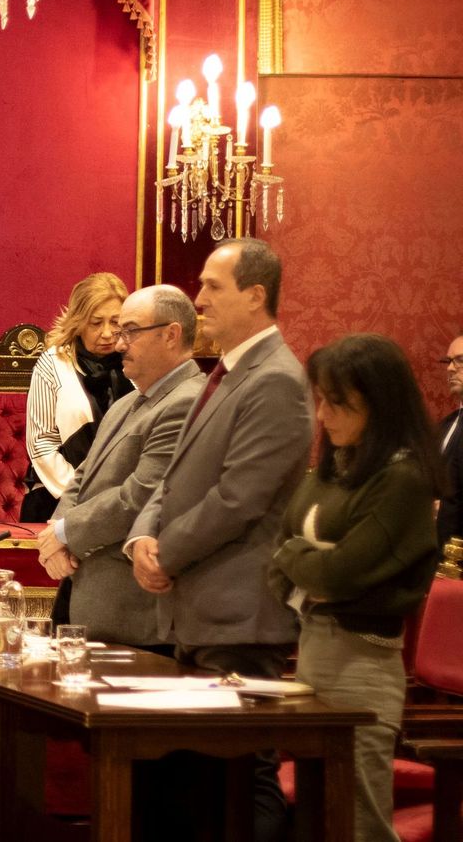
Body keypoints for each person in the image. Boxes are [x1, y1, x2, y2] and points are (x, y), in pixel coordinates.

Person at [127, 238, 313, 842]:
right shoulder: (229, 370)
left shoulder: (276, 379)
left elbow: (241, 498)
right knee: (199, 788)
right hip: (199, 610)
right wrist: (144, 541)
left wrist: (168, 553)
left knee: (243, 780)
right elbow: (178, 478)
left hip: (240, 614)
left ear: (255, 296)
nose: (199, 299)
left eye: (212, 287)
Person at [268, 334, 442, 842]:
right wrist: (311, 566)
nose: (324, 415)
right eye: (321, 399)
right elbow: (280, 556)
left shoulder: (403, 478)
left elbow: (339, 573)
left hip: (363, 664)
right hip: (314, 651)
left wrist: (308, 562)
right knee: (318, 817)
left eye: (339, 403)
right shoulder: (334, 468)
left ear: (381, 406)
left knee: (358, 820)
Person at [39, 284, 204, 649]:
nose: (118, 342)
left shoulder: (188, 402)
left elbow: (141, 494)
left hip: (134, 613)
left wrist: (66, 533)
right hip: (87, 600)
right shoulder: (127, 403)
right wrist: (58, 534)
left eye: (129, 330)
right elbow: (83, 477)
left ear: (170, 335)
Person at [22, 272, 133, 523]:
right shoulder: (53, 363)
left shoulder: (136, 364)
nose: (107, 333)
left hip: (125, 503)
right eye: (96, 323)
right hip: (59, 500)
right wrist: (82, 497)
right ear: (78, 321)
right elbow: (41, 444)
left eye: (115, 322)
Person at [435, 332, 463, 548]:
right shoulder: (446, 425)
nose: (450, 368)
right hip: (436, 552)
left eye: (460, 360)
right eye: (449, 361)